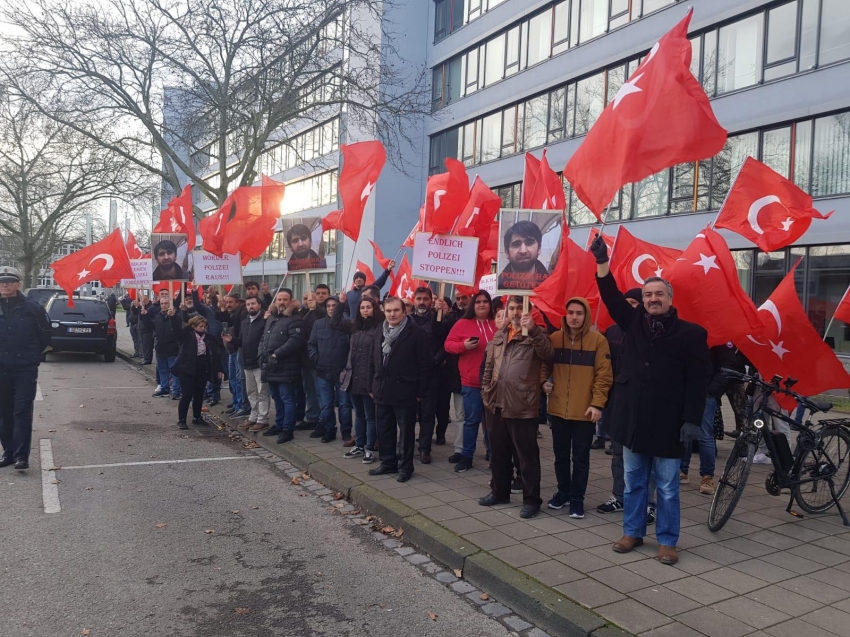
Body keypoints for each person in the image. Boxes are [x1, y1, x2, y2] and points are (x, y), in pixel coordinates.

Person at [591, 235, 709, 566]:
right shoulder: (632, 323)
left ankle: (668, 540)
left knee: (668, 488)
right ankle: (633, 532)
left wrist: (692, 420)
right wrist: (602, 263)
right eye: (647, 295)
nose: (653, 299)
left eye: (658, 294)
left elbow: (697, 382)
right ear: (641, 300)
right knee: (633, 484)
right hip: (632, 421)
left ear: (670, 299)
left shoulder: (692, 334)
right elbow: (611, 296)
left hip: (669, 425)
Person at [479, 296, 553, 519]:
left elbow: (549, 355)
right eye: (512, 308)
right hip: (496, 403)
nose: (516, 312)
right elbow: (489, 366)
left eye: (521, 307)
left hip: (522, 404)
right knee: (498, 453)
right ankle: (499, 492)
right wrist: (485, 391)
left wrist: (534, 331)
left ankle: (531, 500)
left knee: (526, 456)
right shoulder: (500, 334)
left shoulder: (537, 334)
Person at [541, 297, 613, 519]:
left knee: (581, 458)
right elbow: (542, 365)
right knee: (560, 456)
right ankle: (563, 492)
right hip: (558, 409)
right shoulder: (554, 339)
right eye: (570, 312)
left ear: (586, 316)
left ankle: (577, 499)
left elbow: (604, 376)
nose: (574, 317)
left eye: (579, 313)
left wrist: (597, 404)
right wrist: (543, 381)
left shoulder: (598, 341)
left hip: (585, 412)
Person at [367, 297, 431, 482]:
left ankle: (406, 467)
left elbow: (424, 364)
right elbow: (372, 359)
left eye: (396, 310)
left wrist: (420, 392)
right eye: (388, 311)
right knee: (384, 429)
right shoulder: (380, 330)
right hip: (382, 389)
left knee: (406, 433)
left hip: (406, 390)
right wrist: (371, 385)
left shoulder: (416, 333)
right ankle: (388, 463)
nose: (392, 314)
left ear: (404, 312)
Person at [0, 266, 52, 470]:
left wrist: (31, 356)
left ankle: (22, 456)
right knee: (3, 411)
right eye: (2, 281)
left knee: (21, 411)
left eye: (9, 281)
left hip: (25, 369)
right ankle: (9, 452)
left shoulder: (32, 309)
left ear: (18, 284)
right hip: (1, 368)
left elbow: (45, 335)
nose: (4, 284)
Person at [444, 291, 497, 473]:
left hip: (494, 384)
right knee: (471, 421)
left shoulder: (497, 323)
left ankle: (494, 454)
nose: (482, 305)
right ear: (473, 304)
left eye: (485, 302)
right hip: (471, 382)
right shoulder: (462, 324)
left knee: (492, 423)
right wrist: (463, 346)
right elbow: (448, 345)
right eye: (478, 302)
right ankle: (467, 456)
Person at [680, 344, 737, 495]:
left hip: (707, 392)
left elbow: (728, 364)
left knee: (705, 434)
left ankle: (707, 476)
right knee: (684, 430)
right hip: (685, 389)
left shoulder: (720, 335)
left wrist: (713, 390)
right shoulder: (688, 330)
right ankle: (681, 469)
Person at [409, 286, 453, 464]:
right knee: (408, 414)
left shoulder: (439, 319)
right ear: (413, 300)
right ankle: (407, 446)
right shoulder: (407, 320)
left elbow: (447, 342)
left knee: (427, 414)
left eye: (425, 299)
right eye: (418, 298)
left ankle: (424, 448)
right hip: (409, 374)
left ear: (431, 301)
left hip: (431, 373)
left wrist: (436, 360)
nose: (421, 302)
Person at [259, 289, 305, 444]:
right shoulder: (271, 317)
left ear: (291, 301)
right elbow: (264, 338)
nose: (281, 302)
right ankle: (278, 425)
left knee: (287, 399)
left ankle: (287, 429)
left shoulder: (295, 318)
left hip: (286, 366)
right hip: (270, 366)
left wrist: (276, 354)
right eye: (279, 299)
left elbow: (295, 340)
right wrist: (262, 354)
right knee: (277, 398)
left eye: (285, 299)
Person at [307, 296, 353, 444]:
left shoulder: (346, 325)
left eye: (334, 305)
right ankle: (329, 430)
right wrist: (317, 359)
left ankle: (346, 432)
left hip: (342, 373)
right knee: (326, 405)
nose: (331, 308)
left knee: (345, 405)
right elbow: (311, 344)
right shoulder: (318, 324)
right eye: (328, 306)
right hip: (323, 372)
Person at [342, 297, 381, 463]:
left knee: (370, 416)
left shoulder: (379, 328)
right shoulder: (355, 328)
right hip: (353, 377)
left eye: (368, 307)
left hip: (368, 379)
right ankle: (359, 444)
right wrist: (342, 303)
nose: (365, 310)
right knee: (358, 415)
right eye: (362, 307)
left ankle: (369, 448)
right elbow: (335, 322)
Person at [224, 296, 269, 433]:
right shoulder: (245, 322)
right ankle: (253, 416)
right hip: (247, 361)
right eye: (248, 304)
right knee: (251, 392)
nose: (251, 306)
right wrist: (232, 340)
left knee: (262, 392)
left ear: (259, 305)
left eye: (253, 304)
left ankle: (263, 419)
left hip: (259, 362)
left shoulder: (265, 320)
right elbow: (243, 341)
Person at [170, 313, 223, 429]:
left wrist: (219, 369)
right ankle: (182, 420)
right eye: (200, 326)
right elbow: (176, 330)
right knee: (187, 395)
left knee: (199, 395)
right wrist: (173, 317)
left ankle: (197, 417)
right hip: (187, 369)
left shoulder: (209, 338)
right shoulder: (187, 336)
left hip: (202, 369)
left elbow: (216, 355)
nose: (202, 329)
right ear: (194, 326)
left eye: (204, 326)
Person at [296, 284, 329, 432]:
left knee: (320, 391)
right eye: (318, 293)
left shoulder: (327, 310)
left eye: (324, 293)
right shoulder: (305, 311)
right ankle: (311, 417)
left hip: (319, 359)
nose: (321, 295)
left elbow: (326, 318)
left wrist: (316, 309)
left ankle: (323, 420)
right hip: (304, 358)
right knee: (308, 390)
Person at [142, 289, 182, 400]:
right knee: (162, 370)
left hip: (172, 348)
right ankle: (164, 388)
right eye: (162, 304)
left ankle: (176, 390)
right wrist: (145, 316)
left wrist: (173, 317)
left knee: (174, 370)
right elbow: (150, 327)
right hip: (160, 347)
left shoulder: (176, 315)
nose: (164, 306)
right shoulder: (158, 316)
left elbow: (178, 328)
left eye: (166, 304)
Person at [497, 221, 549, 291]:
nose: (523, 251)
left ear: (539, 248)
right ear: (507, 252)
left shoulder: (551, 289)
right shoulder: (497, 292)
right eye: (516, 244)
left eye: (529, 243)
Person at [220, 293, 248, 418]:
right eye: (227, 302)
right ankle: (236, 403)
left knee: (238, 379)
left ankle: (242, 405)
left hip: (238, 349)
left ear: (238, 302)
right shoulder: (232, 313)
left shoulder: (241, 313)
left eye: (231, 302)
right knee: (232, 379)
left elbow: (237, 329)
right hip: (231, 350)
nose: (228, 305)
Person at [134, 293, 156, 364]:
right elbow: (138, 315)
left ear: (147, 299)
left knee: (148, 345)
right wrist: (136, 306)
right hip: (141, 328)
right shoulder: (142, 306)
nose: (143, 301)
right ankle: (145, 357)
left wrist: (144, 310)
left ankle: (148, 359)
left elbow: (149, 316)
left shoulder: (150, 306)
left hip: (147, 329)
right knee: (144, 344)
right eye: (142, 300)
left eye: (145, 299)